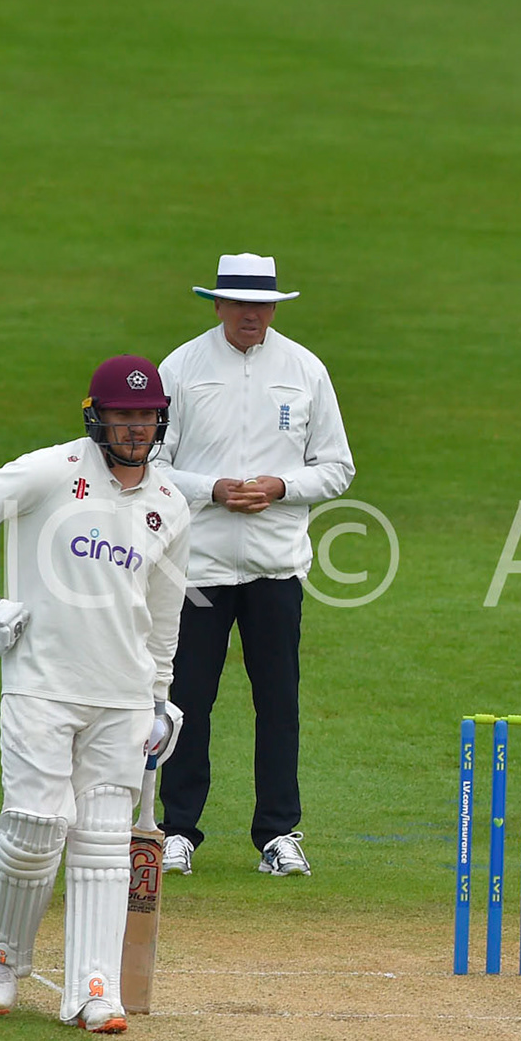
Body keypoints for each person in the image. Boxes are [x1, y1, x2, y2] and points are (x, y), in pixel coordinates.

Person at [0, 355, 191, 1031]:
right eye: (123, 415)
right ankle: (1, 956)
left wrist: (161, 697)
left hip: (123, 695)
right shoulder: (53, 471)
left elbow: (163, 613)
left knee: (105, 843)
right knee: (34, 826)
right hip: (42, 685)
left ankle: (92, 989)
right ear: (97, 417)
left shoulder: (170, 504)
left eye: (146, 416)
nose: (135, 428)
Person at [152, 253, 355, 878]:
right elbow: (150, 466)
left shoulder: (305, 370)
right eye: (238, 304)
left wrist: (278, 487)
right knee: (187, 700)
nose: (250, 314)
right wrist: (213, 489)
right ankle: (177, 831)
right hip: (200, 568)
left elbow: (337, 468)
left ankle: (277, 834)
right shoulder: (182, 367)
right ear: (217, 305)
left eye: (261, 304)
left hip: (276, 567)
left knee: (278, 701)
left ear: (274, 307)